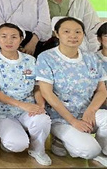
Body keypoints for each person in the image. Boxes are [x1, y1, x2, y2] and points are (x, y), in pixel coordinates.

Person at [37, 17, 107, 166]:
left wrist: (90, 110)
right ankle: (61, 140)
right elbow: (47, 93)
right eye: (67, 32)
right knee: (89, 150)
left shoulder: (91, 58)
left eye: (77, 32)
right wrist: (73, 121)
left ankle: (102, 152)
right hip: (60, 117)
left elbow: (101, 90)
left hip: (87, 113)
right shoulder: (46, 58)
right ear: (57, 34)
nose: (73, 36)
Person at [0, 23, 52, 166]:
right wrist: (22, 105)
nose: (9, 41)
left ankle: (38, 149)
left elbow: (37, 87)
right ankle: (10, 139)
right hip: (2, 111)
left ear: (21, 39)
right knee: (17, 144)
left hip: (28, 109)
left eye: (14, 37)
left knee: (43, 120)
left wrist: (40, 105)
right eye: (4, 36)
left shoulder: (30, 60)